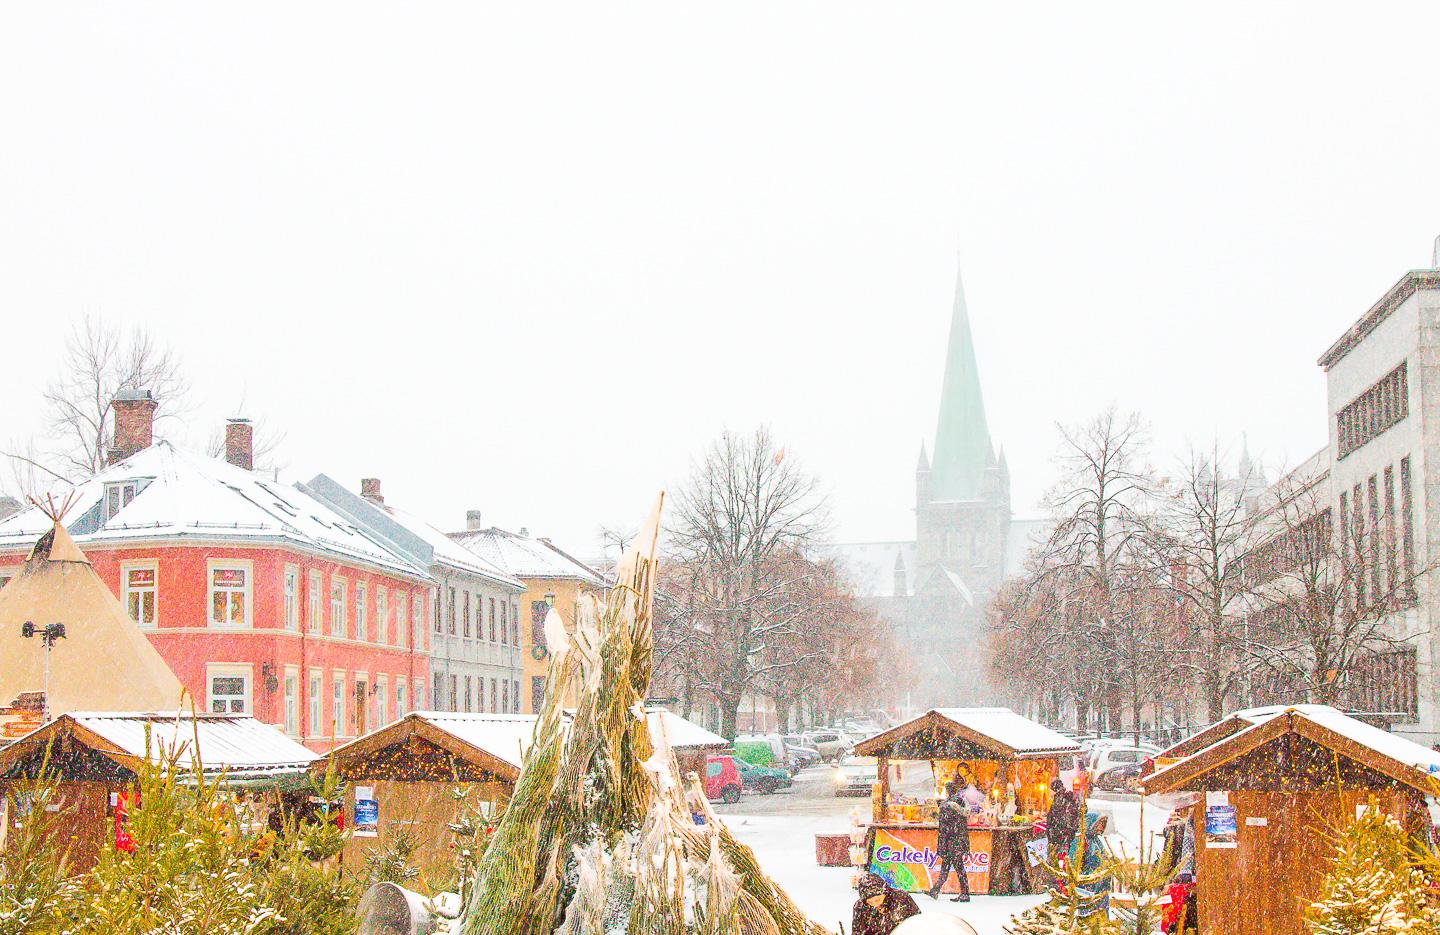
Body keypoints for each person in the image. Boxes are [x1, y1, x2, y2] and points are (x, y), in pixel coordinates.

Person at [928, 795, 971, 902]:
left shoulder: (950, 816)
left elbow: (946, 831)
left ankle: (965, 893)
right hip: (955, 845)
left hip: (952, 845)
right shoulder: (959, 815)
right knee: (949, 867)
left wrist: (938, 815)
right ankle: (936, 889)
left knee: (955, 868)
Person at [1070, 812, 1112, 917]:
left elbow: (1103, 856)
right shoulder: (1082, 840)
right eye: (1100, 823)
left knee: (1101, 913)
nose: (1102, 826)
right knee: (1087, 913)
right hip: (1087, 883)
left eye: (1103, 824)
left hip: (1100, 883)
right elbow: (1073, 861)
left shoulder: (1097, 841)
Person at [852, 871, 920, 935]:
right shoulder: (860, 906)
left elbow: (917, 923)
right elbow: (858, 931)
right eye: (870, 902)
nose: (875, 904)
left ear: (885, 892)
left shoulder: (901, 898)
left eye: (877, 900)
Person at [1045, 778, 1079, 862]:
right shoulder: (1068, 798)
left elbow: (1053, 819)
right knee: (1066, 858)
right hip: (1069, 834)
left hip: (1061, 835)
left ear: (1054, 790)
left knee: (1057, 859)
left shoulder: (1058, 800)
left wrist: (1050, 834)